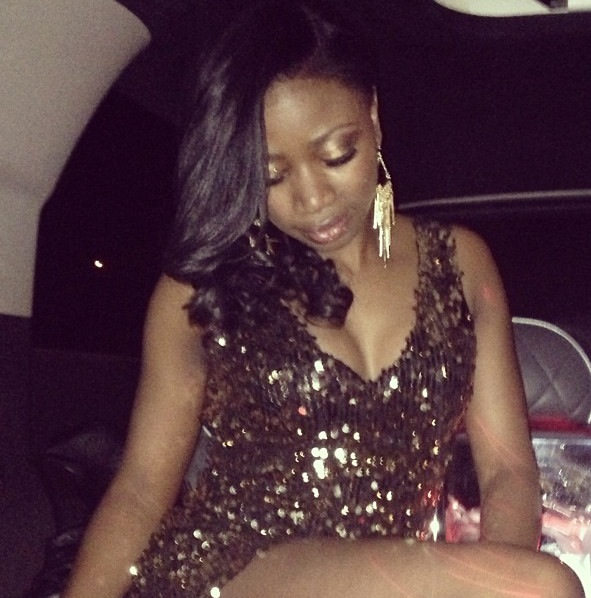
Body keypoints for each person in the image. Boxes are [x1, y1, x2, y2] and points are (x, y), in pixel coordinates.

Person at [62, 0, 584, 596]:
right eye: (273, 176)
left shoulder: (461, 264)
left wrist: (501, 580)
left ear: (374, 118)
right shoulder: (203, 288)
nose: (311, 199)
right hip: (235, 566)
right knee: (547, 587)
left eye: (337, 155)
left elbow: (509, 472)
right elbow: (139, 490)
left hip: (382, 577)